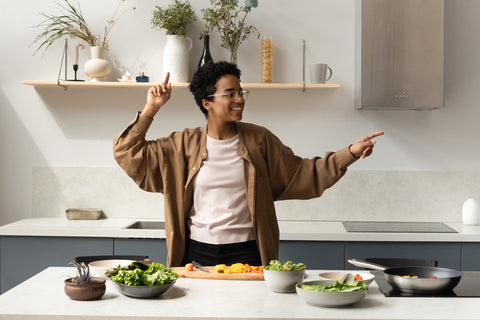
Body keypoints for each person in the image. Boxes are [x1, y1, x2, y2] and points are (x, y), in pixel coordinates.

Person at [113, 61, 384, 268]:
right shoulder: (180, 144)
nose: (239, 99)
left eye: (241, 92)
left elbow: (305, 174)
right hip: (195, 256)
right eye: (229, 93)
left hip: (250, 254)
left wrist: (350, 152)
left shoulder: (259, 140)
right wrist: (151, 109)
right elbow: (127, 152)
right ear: (207, 103)